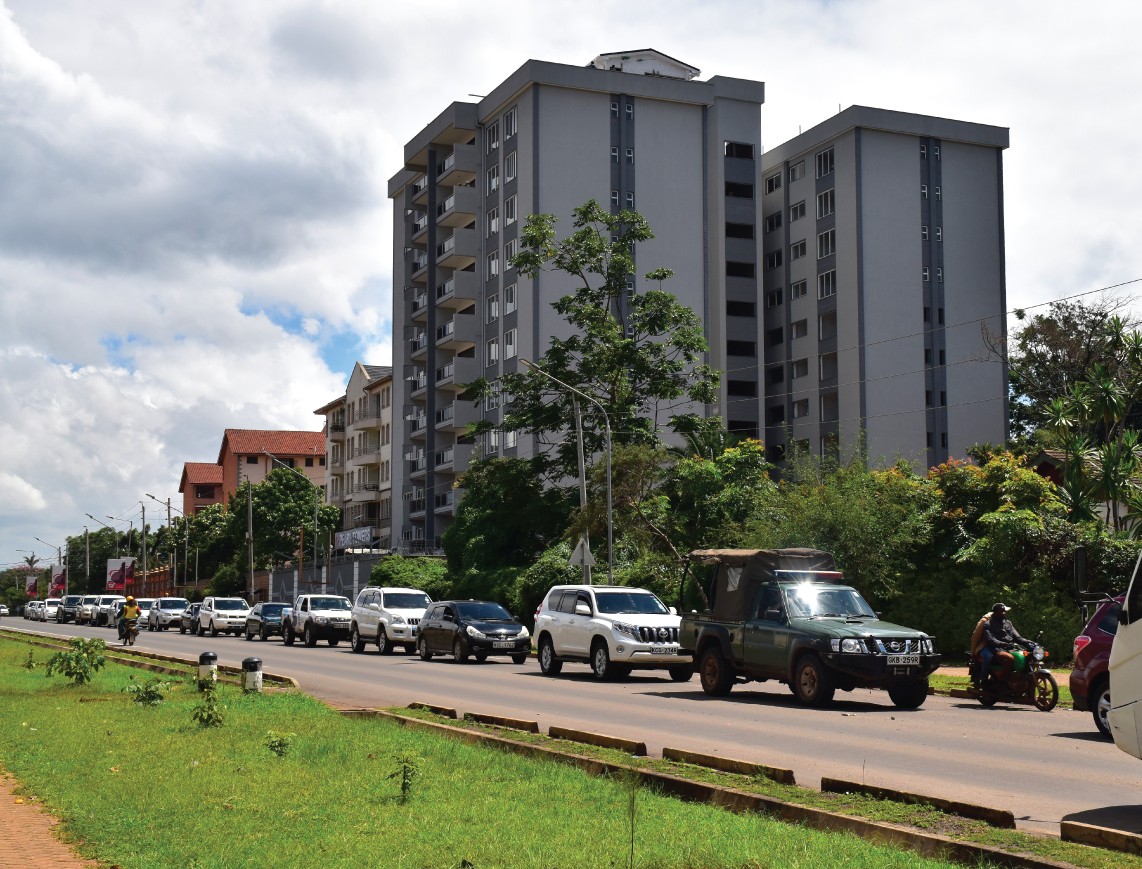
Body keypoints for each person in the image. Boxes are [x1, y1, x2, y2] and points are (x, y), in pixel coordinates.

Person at [981, 602, 1031, 684]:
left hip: (1011, 648)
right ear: (995, 612)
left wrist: (1029, 643)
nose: (1004, 613)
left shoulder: (1008, 623)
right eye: (1002, 611)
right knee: (1009, 658)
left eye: (1004, 611)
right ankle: (1003, 682)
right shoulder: (988, 624)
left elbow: (1018, 637)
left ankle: (1020, 679)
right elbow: (990, 639)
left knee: (1028, 656)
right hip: (997, 649)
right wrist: (1001, 643)